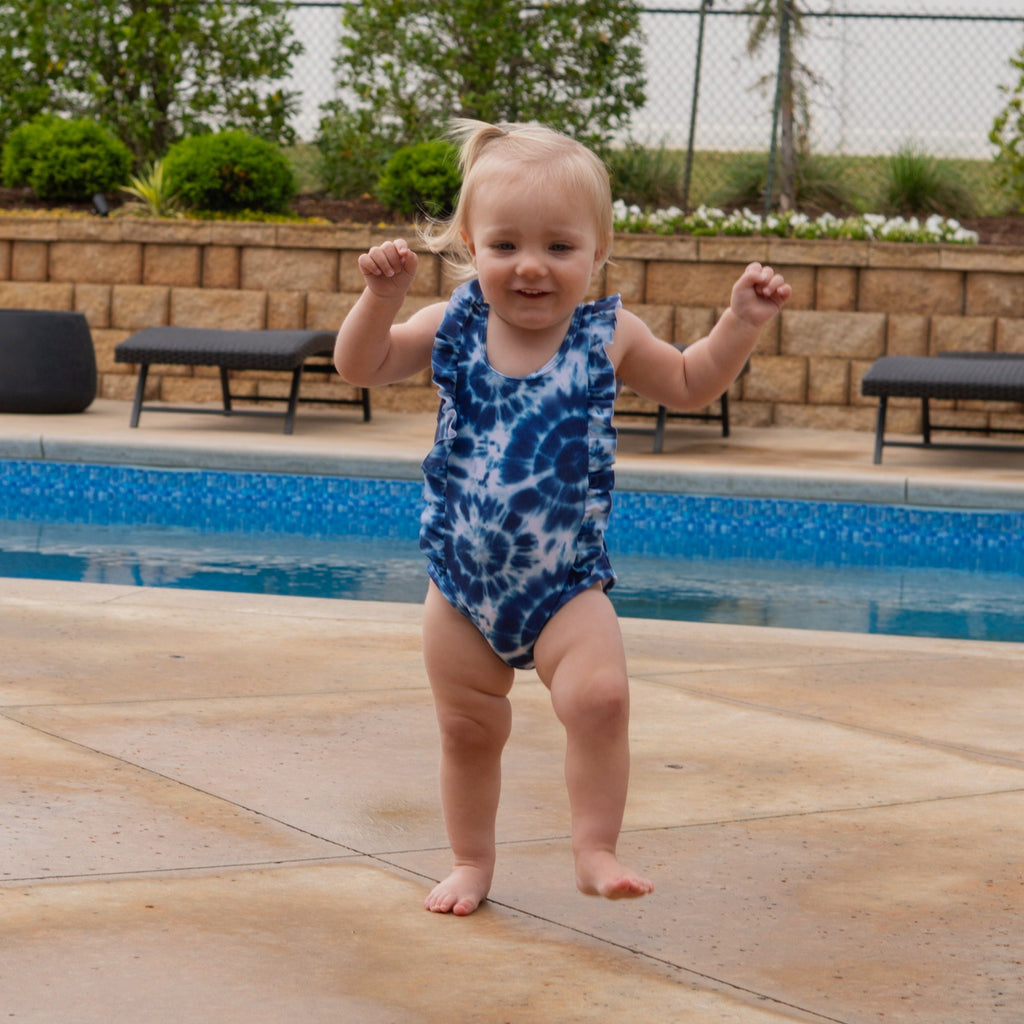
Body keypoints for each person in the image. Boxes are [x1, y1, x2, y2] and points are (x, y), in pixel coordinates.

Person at [334, 120, 791, 917]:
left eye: (559, 246)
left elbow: (688, 383)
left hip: (564, 588)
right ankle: (471, 862)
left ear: (598, 249)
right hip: (463, 587)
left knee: (601, 699)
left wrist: (739, 325)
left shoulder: (606, 334)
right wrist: (379, 299)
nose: (531, 266)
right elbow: (359, 366)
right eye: (505, 245)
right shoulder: (453, 324)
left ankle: (594, 848)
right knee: (468, 729)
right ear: (471, 247)